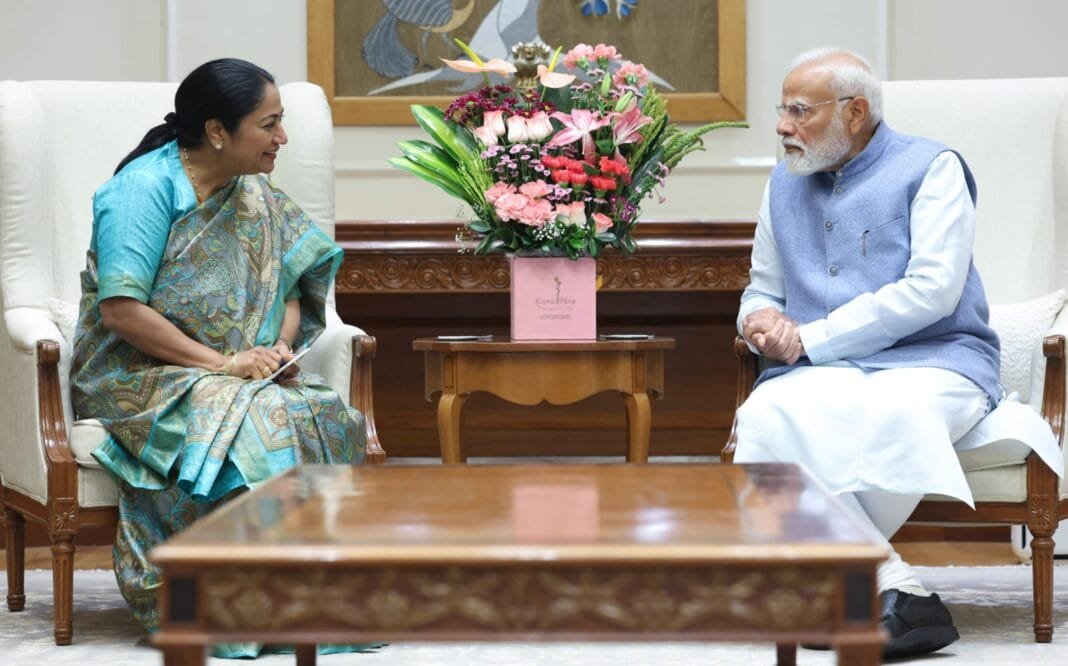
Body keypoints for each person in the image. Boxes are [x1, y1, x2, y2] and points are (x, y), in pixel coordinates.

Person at [733, 47, 1062, 658]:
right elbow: (763, 284)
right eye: (783, 110)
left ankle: (836, 587)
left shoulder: (932, 168)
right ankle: (897, 591)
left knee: (887, 415)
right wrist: (761, 320)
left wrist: (810, 338)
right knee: (762, 417)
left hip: (936, 359)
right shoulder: (784, 179)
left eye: (799, 111)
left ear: (855, 112)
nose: (782, 126)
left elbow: (932, 291)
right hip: (821, 369)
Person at [70, 58, 373, 659]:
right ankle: (223, 604)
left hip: (240, 367)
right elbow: (121, 312)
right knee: (259, 427)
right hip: (138, 371)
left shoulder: (255, 191)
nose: (282, 139)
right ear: (216, 131)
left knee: (326, 415)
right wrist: (222, 364)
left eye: (282, 123)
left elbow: (290, 286)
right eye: (269, 125)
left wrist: (280, 348)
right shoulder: (142, 190)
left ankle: (304, 601)